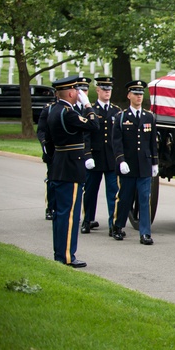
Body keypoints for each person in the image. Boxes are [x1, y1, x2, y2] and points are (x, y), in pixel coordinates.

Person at [46, 75, 100, 267]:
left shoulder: (54, 110)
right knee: (70, 215)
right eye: (77, 91)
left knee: (61, 213)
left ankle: (59, 253)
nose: (79, 94)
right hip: (71, 168)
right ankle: (67, 256)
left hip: (60, 165)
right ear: (70, 93)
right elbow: (94, 125)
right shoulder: (68, 113)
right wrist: (88, 106)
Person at [111, 80, 158, 245]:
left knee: (145, 198)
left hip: (144, 164)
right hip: (128, 165)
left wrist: (154, 163)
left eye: (141, 94)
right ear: (129, 95)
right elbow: (116, 142)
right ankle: (118, 226)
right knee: (125, 198)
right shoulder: (121, 117)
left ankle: (145, 233)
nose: (139, 97)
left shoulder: (148, 117)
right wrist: (120, 160)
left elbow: (152, 142)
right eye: (136, 94)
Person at [81, 76, 120, 233]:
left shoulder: (116, 111)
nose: (107, 92)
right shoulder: (90, 110)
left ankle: (113, 223)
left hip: (111, 158)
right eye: (104, 89)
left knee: (113, 192)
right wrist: (87, 155)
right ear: (97, 90)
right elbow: (86, 136)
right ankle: (88, 220)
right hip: (95, 157)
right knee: (90, 191)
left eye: (109, 89)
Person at [36, 100, 56, 220]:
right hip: (52, 151)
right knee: (52, 180)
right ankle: (51, 207)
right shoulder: (49, 109)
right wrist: (45, 145)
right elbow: (41, 130)